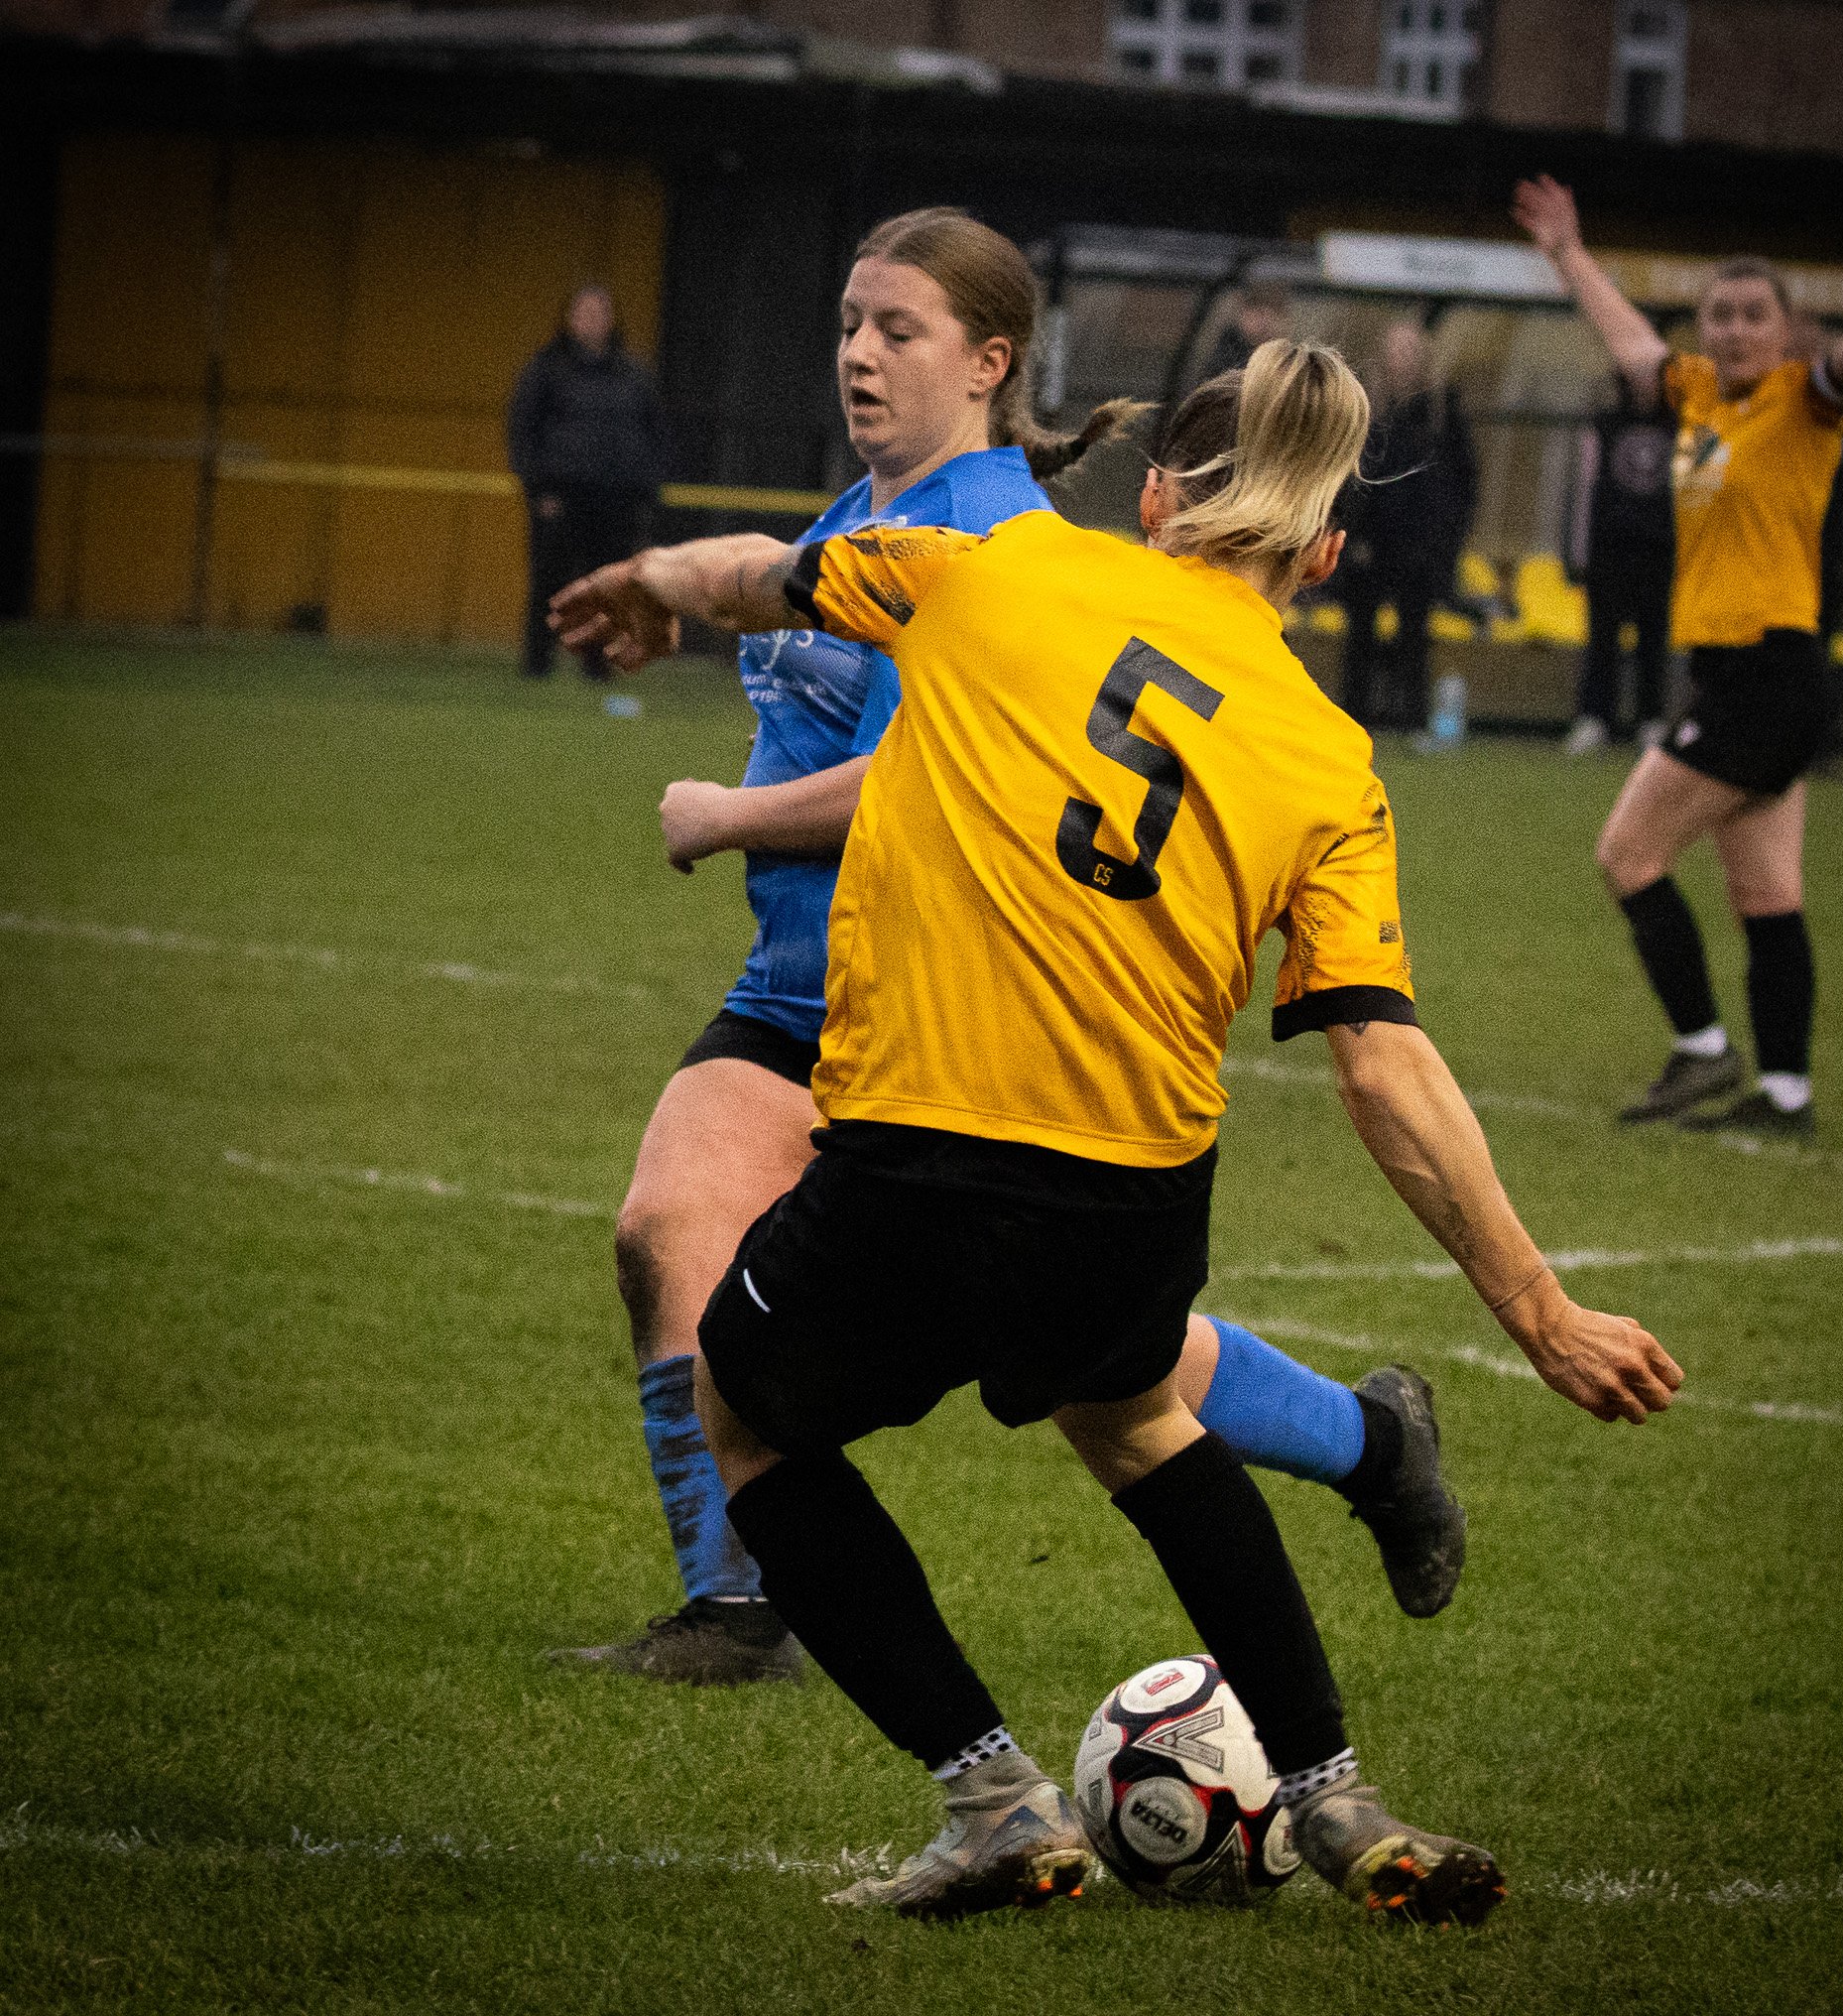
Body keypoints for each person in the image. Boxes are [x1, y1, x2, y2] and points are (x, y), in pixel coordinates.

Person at [553, 339, 1681, 1925]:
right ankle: (1338, 1800)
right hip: (1138, 1202)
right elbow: (1384, 1071)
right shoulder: (1333, 765)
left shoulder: (995, 573)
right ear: (1328, 555)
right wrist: (1540, 1314)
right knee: (1140, 1416)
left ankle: (995, 1802)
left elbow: (767, 572)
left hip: (918, 1158)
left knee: (749, 1417)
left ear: (1152, 500)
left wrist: (651, 577)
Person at [553, 209, 1475, 1692]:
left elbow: (919, 779)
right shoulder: (865, 514)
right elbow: (785, 613)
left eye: (896, 329)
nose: (857, 352)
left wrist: (728, 814)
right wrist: (676, 597)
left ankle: (1372, 1444)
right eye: (849, 321)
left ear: (989, 362)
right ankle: (732, 1614)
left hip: (934, 997)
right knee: (674, 1232)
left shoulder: (991, 541)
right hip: (803, 982)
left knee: (1087, 1365)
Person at [1513, 176, 1843, 1134]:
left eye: (1754, 315)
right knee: (1765, 891)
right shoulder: (1695, 398)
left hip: (1767, 673)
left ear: (1788, 331)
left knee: (1627, 853)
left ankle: (1703, 1050)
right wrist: (1566, 251)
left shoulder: (1806, 402)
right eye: (1718, 314)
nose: (1731, 329)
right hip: (1741, 677)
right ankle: (1786, 1096)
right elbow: (1631, 339)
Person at [508, 285, 673, 680]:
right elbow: (521, 430)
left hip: (616, 499)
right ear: (568, 318)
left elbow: (656, 433)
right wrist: (539, 488)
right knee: (550, 584)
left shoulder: (633, 374)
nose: (592, 320)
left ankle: (598, 667)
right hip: (560, 497)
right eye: (583, 312)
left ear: (612, 318)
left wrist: (645, 488)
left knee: (610, 588)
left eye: (600, 312)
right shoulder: (546, 369)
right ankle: (537, 665)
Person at [1332, 319, 1478, 733]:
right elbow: (1347, 478)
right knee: (1360, 633)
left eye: (1412, 351)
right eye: (1397, 350)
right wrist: (1349, 533)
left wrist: (1444, 539)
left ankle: (1411, 717)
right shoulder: (1365, 409)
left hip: (1420, 545)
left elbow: (1463, 482)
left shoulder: (1442, 412)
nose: (1404, 360)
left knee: (1414, 632)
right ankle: (1354, 718)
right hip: (1368, 544)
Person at [1564, 373, 1674, 756]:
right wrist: (1579, 556)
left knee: (1653, 640)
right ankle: (1595, 719)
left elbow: (1698, 495)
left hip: (1660, 553)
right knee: (1601, 640)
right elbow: (1584, 490)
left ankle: (1651, 721)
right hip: (1609, 552)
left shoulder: (1682, 425)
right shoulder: (1604, 424)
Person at [1201, 280, 1292, 384]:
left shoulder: (1286, 360)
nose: (1266, 319)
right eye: (1255, 306)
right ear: (1240, 309)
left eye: (1275, 308)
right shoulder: (1226, 359)